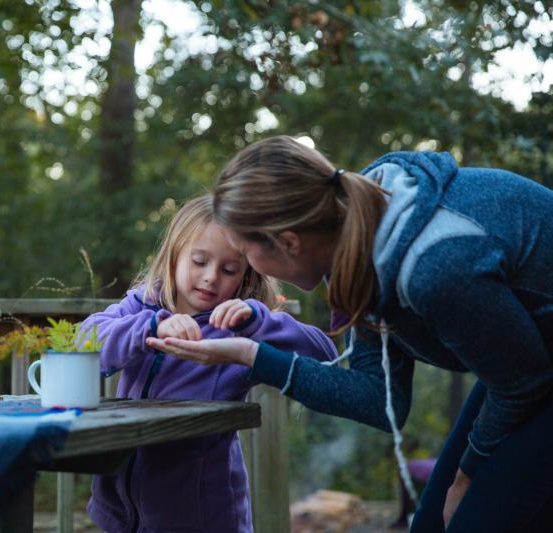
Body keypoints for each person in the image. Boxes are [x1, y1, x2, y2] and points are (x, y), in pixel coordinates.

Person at [146, 135, 553, 532]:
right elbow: (380, 399)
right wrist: (253, 356)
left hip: (530, 375)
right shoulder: (354, 242)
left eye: (245, 252)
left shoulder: (433, 267)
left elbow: (523, 384)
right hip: (527, 366)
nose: (251, 267)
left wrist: (467, 475)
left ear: (288, 242)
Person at [83, 194, 337, 533]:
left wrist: (258, 323)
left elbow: (327, 356)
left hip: (200, 517)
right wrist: (148, 328)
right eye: (199, 261)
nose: (210, 277)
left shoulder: (238, 325)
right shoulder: (140, 306)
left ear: (245, 276)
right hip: (121, 512)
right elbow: (82, 341)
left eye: (228, 269)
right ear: (173, 257)